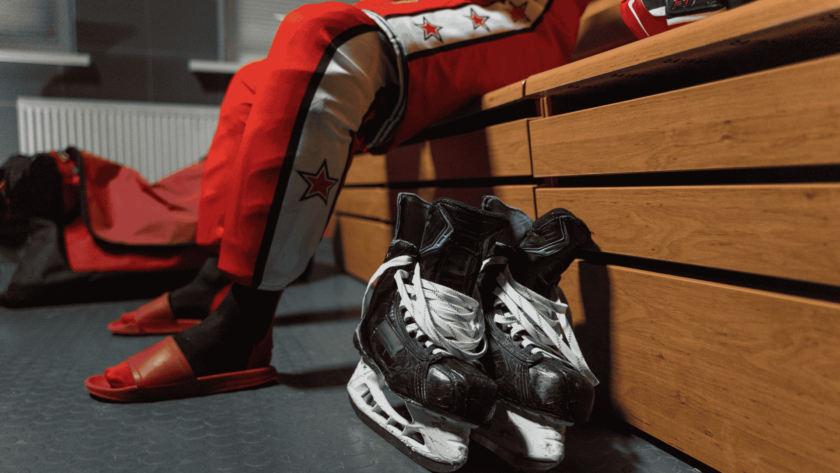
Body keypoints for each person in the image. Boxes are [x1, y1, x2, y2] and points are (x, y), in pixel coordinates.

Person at [84, 0, 742, 468]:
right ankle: (218, 275)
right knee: (253, 81)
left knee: (325, 38)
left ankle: (243, 323)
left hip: (526, 11)